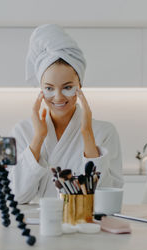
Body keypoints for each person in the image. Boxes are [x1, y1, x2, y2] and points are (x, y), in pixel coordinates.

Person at [8, 24, 123, 204]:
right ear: (41, 89)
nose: (58, 97)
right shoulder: (23, 131)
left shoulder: (105, 132)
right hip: (37, 226)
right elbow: (16, 196)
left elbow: (105, 200)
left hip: (84, 225)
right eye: (49, 88)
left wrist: (87, 134)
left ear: (80, 86)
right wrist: (38, 138)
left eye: (68, 87)